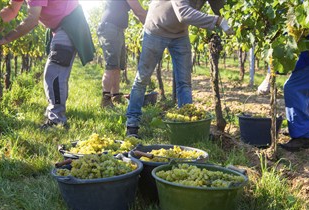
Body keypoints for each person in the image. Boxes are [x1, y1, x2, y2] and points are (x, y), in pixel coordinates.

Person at [125, 0, 234, 138]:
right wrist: (218, 21)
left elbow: (221, 9)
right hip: (156, 28)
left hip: (180, 34)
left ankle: (187, 126)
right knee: (142, 78)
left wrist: (235, 21)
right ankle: (132, 125)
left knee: (184, 83)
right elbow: (184, 14)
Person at [0, 0, 95, 129]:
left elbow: (32, 20)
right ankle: (57, 112)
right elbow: (12, 10)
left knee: (54, 72)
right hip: (60, 26)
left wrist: (6, 38)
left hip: (70, 24)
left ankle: (56, 120)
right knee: (56, 71)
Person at [97, 0, 147, 108]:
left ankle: (115, 96)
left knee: (118, 66)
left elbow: (137, 12)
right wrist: (153, 25)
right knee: (111, 65)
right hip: (110, 28)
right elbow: (139, 11)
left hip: (116, 29)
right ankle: (105, 100)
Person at [279, 45, 309, 151]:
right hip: (307, 55)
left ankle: (302, 136)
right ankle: (300, 128)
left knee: (293, 88)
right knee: (306, 91)